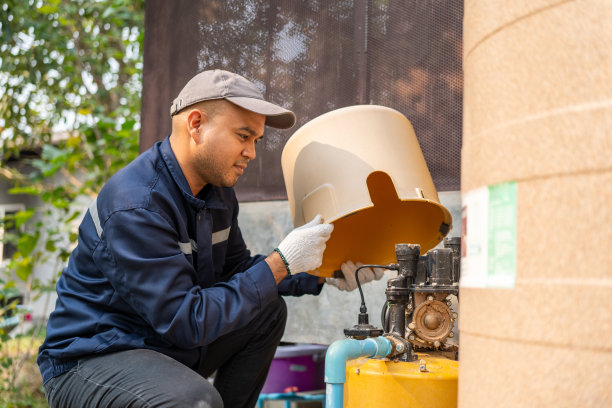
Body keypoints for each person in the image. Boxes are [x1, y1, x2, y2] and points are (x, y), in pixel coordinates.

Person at [37, 69, 382, 408]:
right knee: (194, 401)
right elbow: (185, 320)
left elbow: (236, 272)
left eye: (256, 141)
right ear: (196, 125)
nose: (252, 152)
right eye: (243, 136)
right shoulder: (136, 205)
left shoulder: (216, 193)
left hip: (159, 346)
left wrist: (323, 270)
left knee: (266, 312)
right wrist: (281, 263)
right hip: (91, 361)